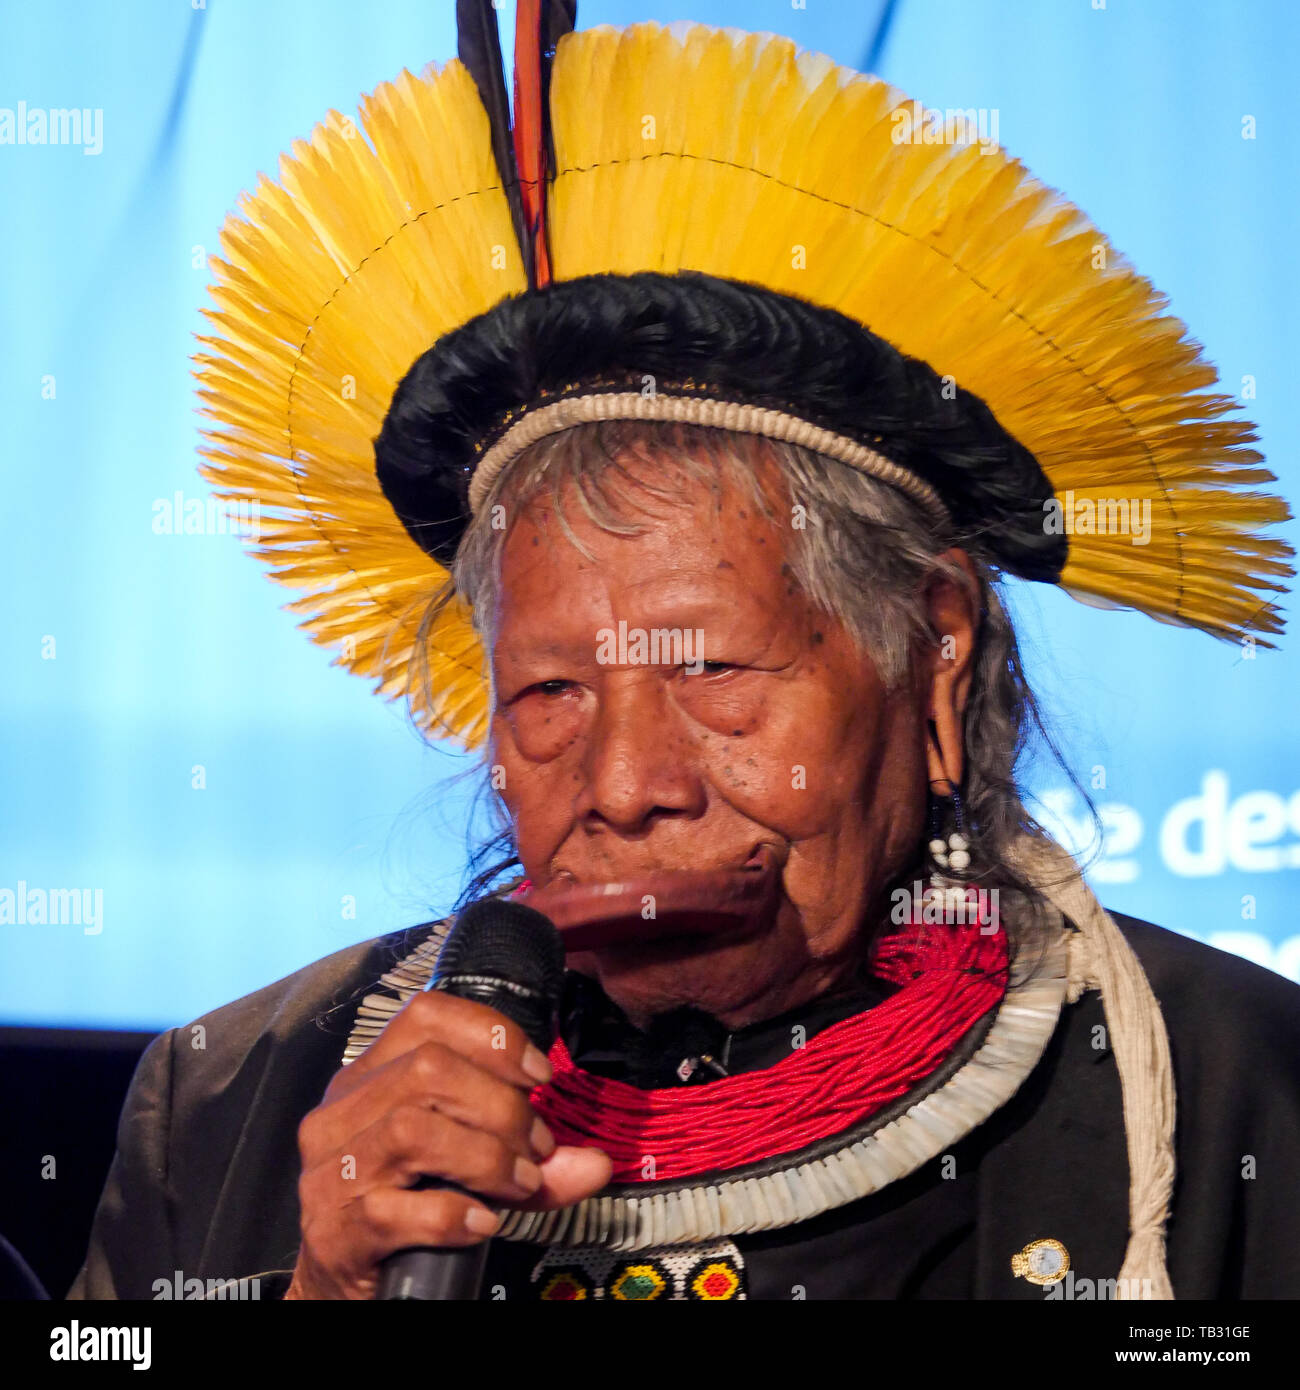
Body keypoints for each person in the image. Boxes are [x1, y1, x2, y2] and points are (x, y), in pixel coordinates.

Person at [71, 5, 1298, 1301]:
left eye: (711, 674)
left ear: (936, 650)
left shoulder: (1229, 1103)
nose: (622, 783)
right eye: (549, 692)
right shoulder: (222, 1108)